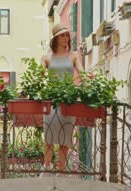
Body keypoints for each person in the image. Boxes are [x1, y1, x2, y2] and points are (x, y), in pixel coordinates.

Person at [41, 23, 84, 175]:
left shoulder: (73, 56)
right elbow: (37, 78)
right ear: (56, 39)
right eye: (62, 35)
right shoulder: (46, 58)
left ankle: (60, 172)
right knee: (49, 137)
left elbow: (83, 75)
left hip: (68, 102)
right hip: (52, 101)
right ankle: (46, 168)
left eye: (67, 35)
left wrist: (91, 86)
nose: (65, 38)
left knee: (65, 140)